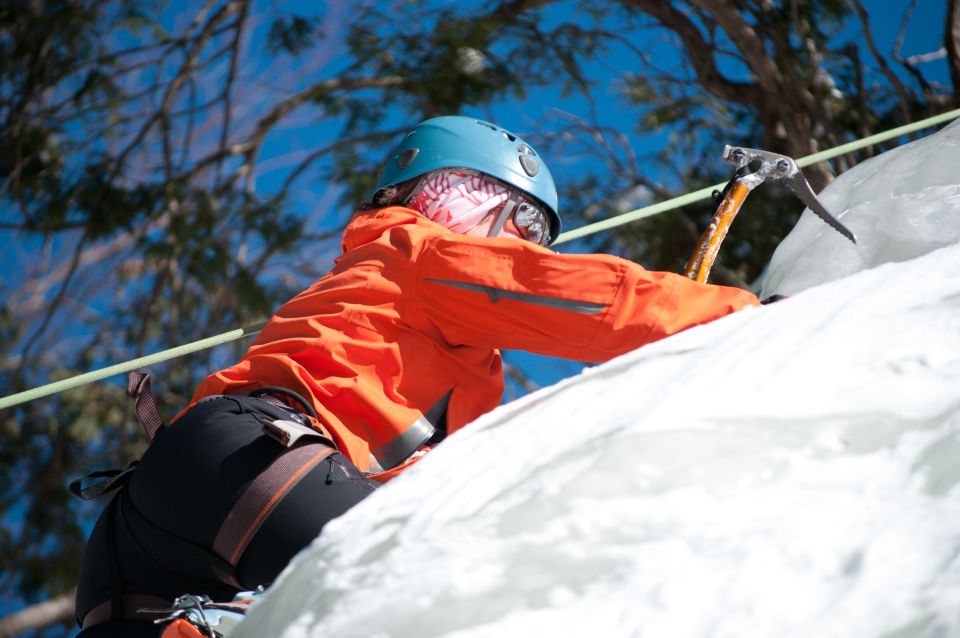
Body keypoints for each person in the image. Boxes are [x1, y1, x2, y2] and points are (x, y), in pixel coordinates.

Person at [73, 115, 759, 636]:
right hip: (258, 462)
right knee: (440, 602)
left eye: (539, 230)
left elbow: (448, 479)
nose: (527, 240)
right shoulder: (419, 252)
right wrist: (746, 316)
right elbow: (584, 298)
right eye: (518, 216)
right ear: (459, 200)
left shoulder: (388, 299)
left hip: (151, 533)